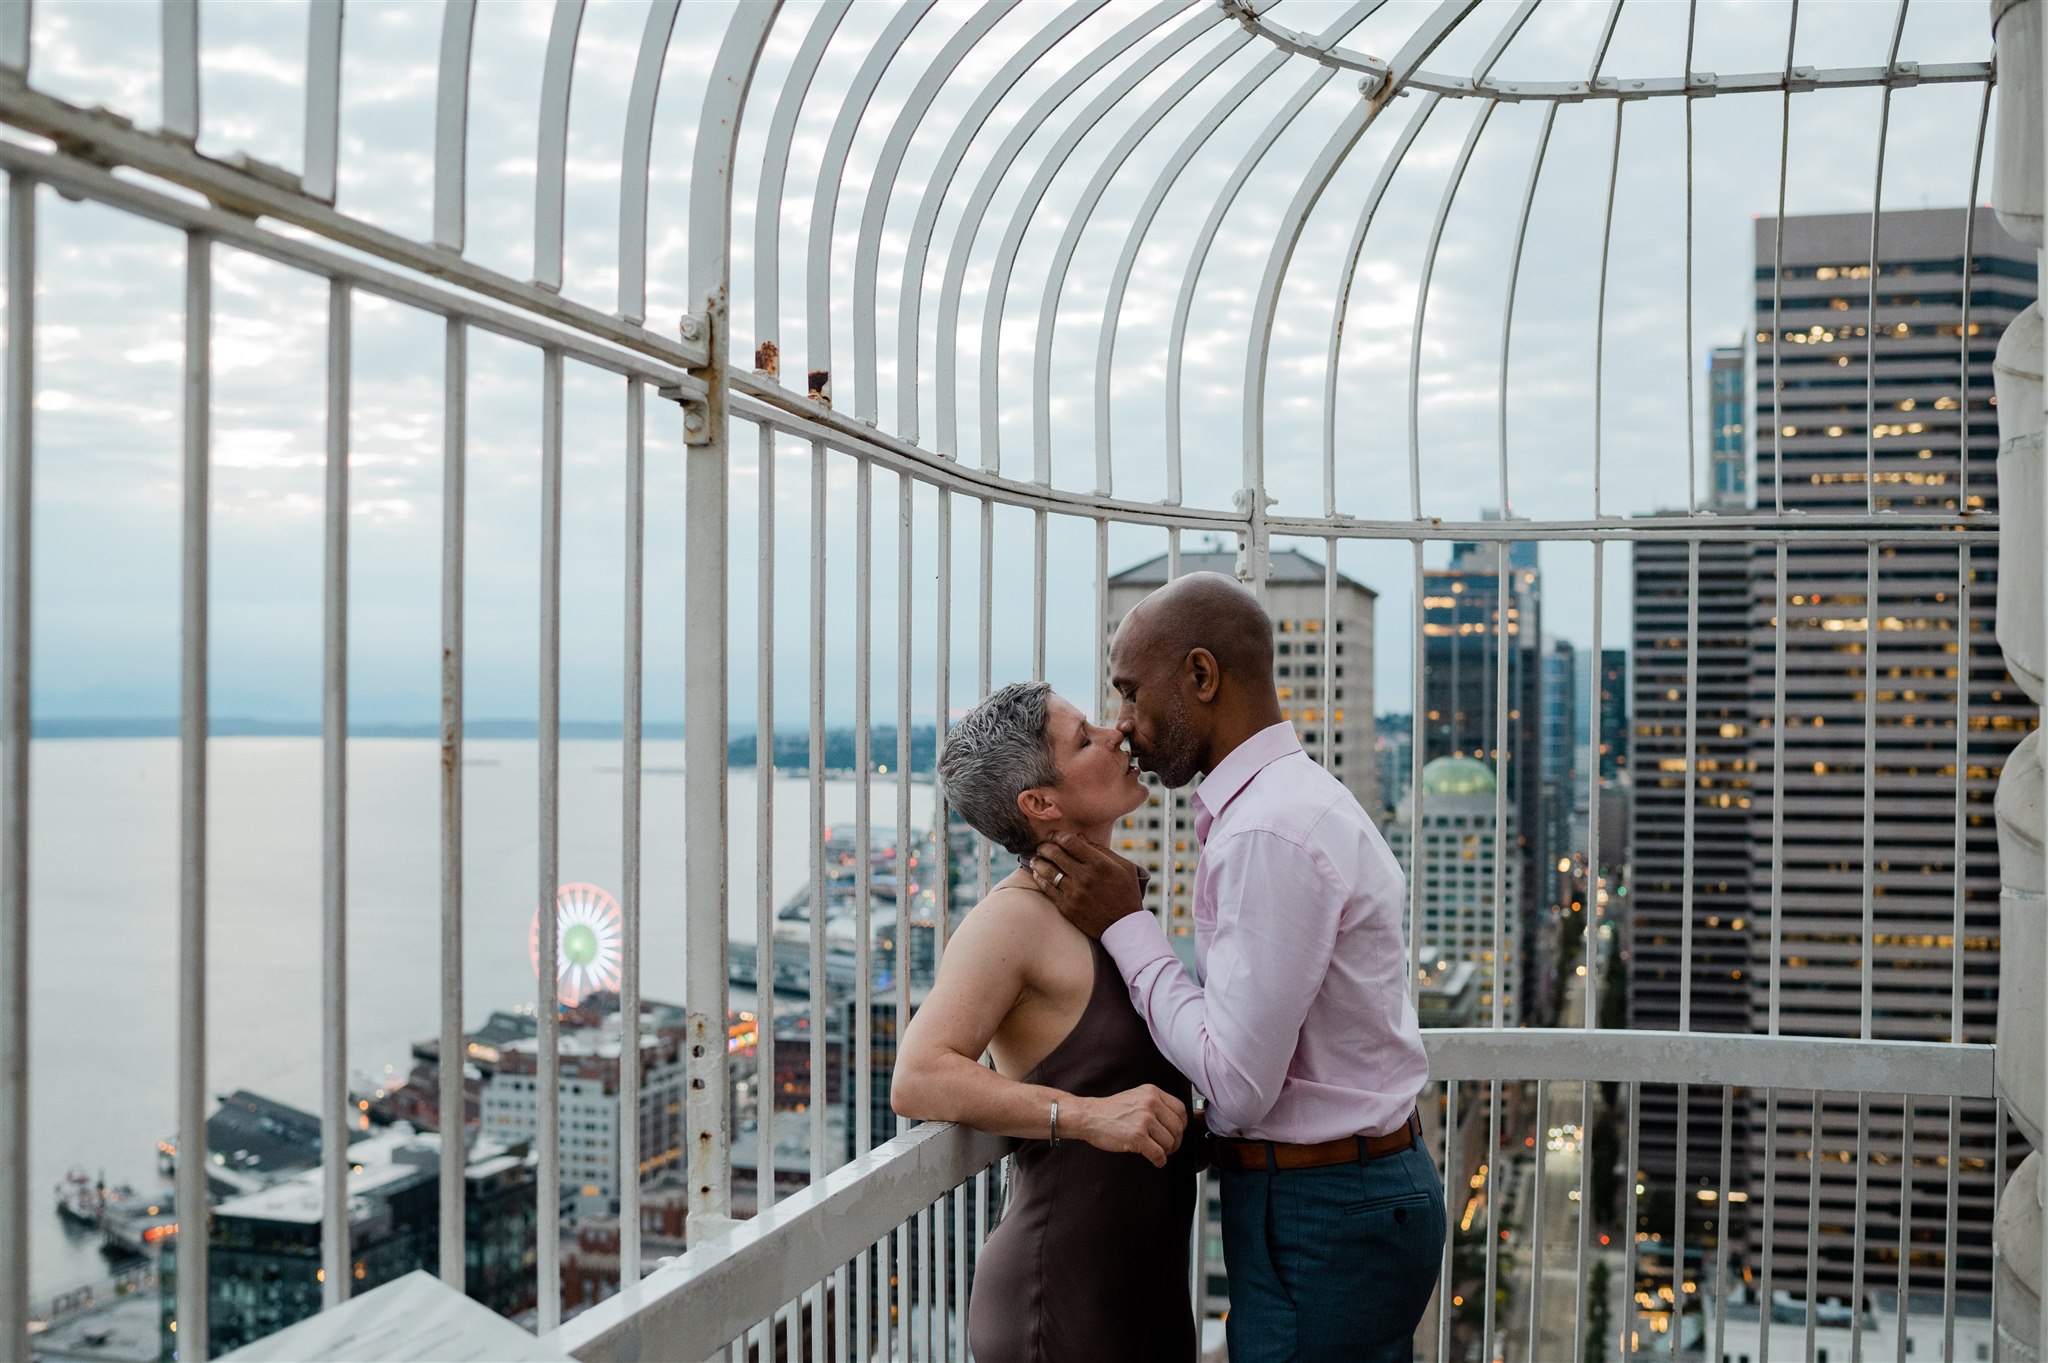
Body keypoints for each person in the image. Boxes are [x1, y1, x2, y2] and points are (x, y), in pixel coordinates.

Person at [1031, 571, 1445, 1363]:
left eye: (1129, 691)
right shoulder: (1291, 801)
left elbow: (1238, 1077)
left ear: (1200, 675)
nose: (1123, 726)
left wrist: (1126, 925)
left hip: (1323, 1208)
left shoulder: (1269, 833)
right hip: (1341, 1197)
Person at [891, 681, 1200, 1363]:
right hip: (1056, 1306)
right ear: (1041, 803)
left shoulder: (1112, 904)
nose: (1118, 734)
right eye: (1085, 737)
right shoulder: (1011, 920)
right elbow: (918, 1075)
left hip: (1146, 1295)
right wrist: (1088, 1116)